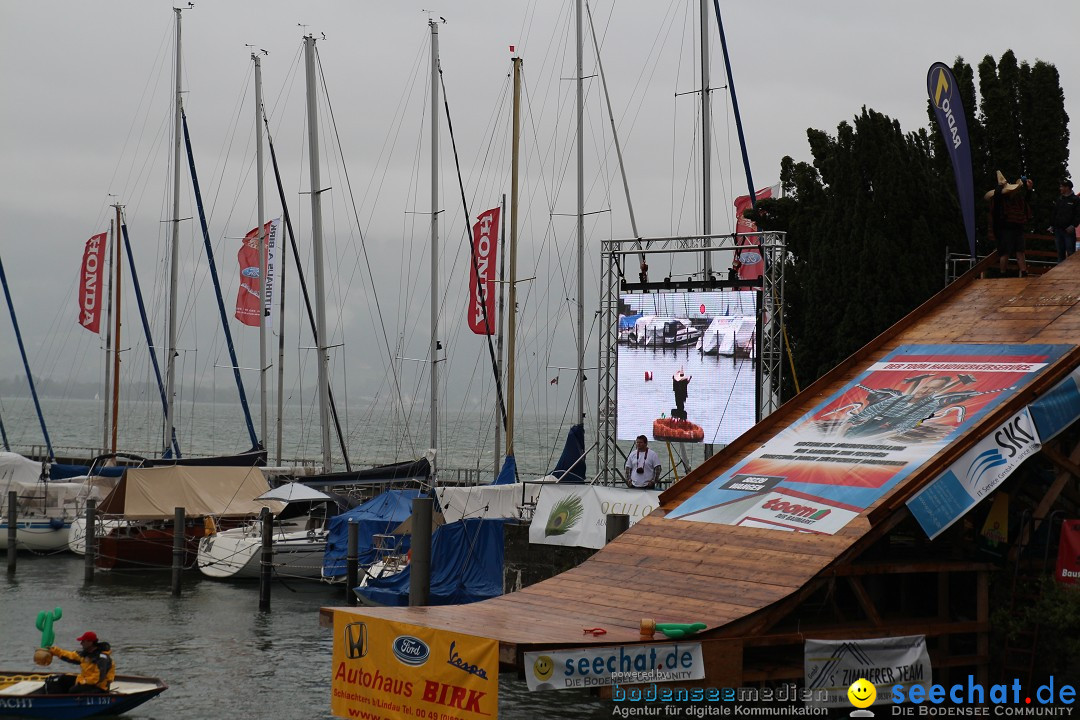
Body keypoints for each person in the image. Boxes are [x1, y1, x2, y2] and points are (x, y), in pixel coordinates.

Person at [987, 171, 1033, 277]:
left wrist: (1029, 190)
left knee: (1020, 251)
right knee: (1005, 252)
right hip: (1004, 229)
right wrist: (1000, 186)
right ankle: (1003, 273)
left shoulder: (1018, 200)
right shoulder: (999, 201)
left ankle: (1024, 272)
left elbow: (1027, 202)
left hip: (1018, 227)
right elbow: (997, 195)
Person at [43, 631, 115, 694]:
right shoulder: (85, 654)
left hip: (99, 687)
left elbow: (98, 678)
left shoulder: (102, 658)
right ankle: (57, 699)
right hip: (87, 682)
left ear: (90, 642)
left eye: (83, 641)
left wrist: (82, 682)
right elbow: (70, 656)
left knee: (74, 690)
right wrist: (54, 651)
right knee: (64, 679)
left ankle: (70, 703)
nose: (81, 643)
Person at [1049, 179, 1080, 263]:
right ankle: (1059, 274)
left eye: (1062, 186)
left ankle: (1071, 275)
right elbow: (1054, 213)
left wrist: (1073, 225)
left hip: (1068, 231)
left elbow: (1078, 215)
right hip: (1058, 230)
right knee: (1060, 254)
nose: (1060, 188)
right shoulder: (1059, 199)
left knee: (1070, 253)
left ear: (1067, 188)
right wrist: (1052, 225)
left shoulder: (1076, 200)